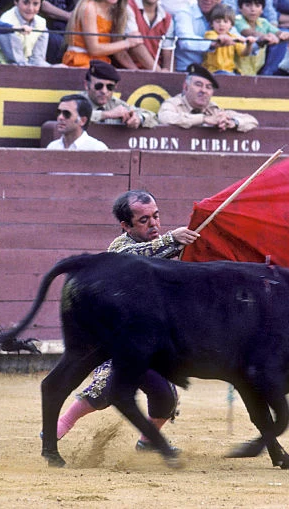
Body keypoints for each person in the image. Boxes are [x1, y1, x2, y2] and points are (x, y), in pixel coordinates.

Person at [52, 189, 197, 451]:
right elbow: (136, 257)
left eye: (156, 216)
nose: (153, 224)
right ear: (125, 226)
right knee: (106, 386)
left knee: (165, 398)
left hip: (153, 344)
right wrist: (171, 240)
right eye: (144, 220)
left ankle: (148, 441)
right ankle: (58, 427)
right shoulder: (119, 249)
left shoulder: (167, 248)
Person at [62, 0, 142, 68]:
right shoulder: (89, 7)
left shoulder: (116, 10)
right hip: (80, 61)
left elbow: (118, 51)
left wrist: (138, 73)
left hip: (102, 63)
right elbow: (94, 49)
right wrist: (128, 43)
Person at [158, 63, 258, 131]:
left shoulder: (213, 109)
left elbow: (252, 121)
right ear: (186, 87)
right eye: (198, 85)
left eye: (208, 87)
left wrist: (232, 123)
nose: (204, 90)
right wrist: (204, 119)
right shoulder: (174, 104)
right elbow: (164, 117)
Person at [79, 59, 157, 129]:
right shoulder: (76, 101)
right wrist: (106, 115)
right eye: (98, 86)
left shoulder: (115, 104)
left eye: (110, 87)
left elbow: (154, 117)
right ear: (87, 85)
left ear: (115, 87)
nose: (104, 91)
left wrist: (140, 118)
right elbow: (74, 118)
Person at [126, 0, 175, 69]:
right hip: (129, 70)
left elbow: (168, 54)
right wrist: (157, 72)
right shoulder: (128, 7)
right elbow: (135, 45)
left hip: (156, 74)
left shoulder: (167, 19)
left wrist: (167, 75)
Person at [172, 0, 222, 71]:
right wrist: (214, 43)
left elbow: (235, 38)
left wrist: (254, 44)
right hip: (187, 71)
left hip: (215, 71)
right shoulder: (184, 13)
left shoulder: (223, 14)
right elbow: (186, 42)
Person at [0, 0, 49, 66]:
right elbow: (16, 61)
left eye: (35, 4)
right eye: (26, 3)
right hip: (4, 68)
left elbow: (38, 60)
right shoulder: (7, 22)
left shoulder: (41, 23)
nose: (30, 8)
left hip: (26, 67)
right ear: (16, 2)